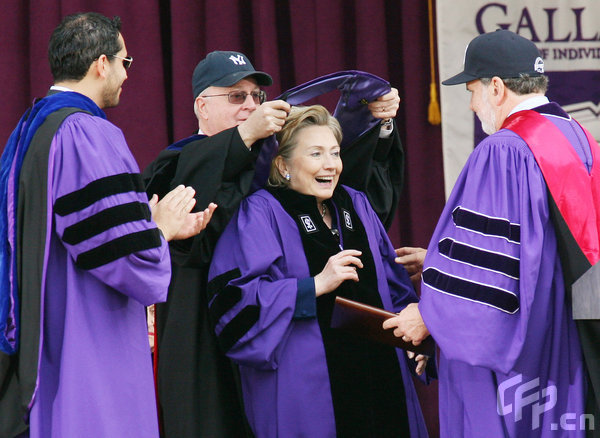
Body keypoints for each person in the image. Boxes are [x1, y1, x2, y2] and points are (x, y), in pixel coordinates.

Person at [142, 51, 405, 437]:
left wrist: (376, 121)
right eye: (236, 96)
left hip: (279, 339)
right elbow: (193, 216)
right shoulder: (177, 163)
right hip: (203, 331)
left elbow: (348, 188)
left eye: (256, 97)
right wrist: (246, 135)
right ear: (201, 105)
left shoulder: (269, 163)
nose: (250, 106)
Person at [0, 12, 214, 438]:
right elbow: (115, 251)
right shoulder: (86, 132)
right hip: (88, 325)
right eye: (125, 63)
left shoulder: (29, 127)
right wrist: (158, 232)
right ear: (102, 64)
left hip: (44, 316)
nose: (126, 75)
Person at [384, 30, 591, 437]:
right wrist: (440, 262)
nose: (473, 103)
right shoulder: (581, 141)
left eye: (472, 90)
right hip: (566, 341)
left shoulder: (505, 151)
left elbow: (488, 262)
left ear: (496, 87)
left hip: (516, 351)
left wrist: (431, 313)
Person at [208, 104, 430, 437]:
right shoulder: (260, 213)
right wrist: (314, 285)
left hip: (381, 377)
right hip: (308, 390)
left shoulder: (356, 204)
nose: (330, 165)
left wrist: (414, 341)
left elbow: (394, 287)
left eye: (335, 153)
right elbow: (234, 303)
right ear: (283, 165)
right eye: (315, 154)